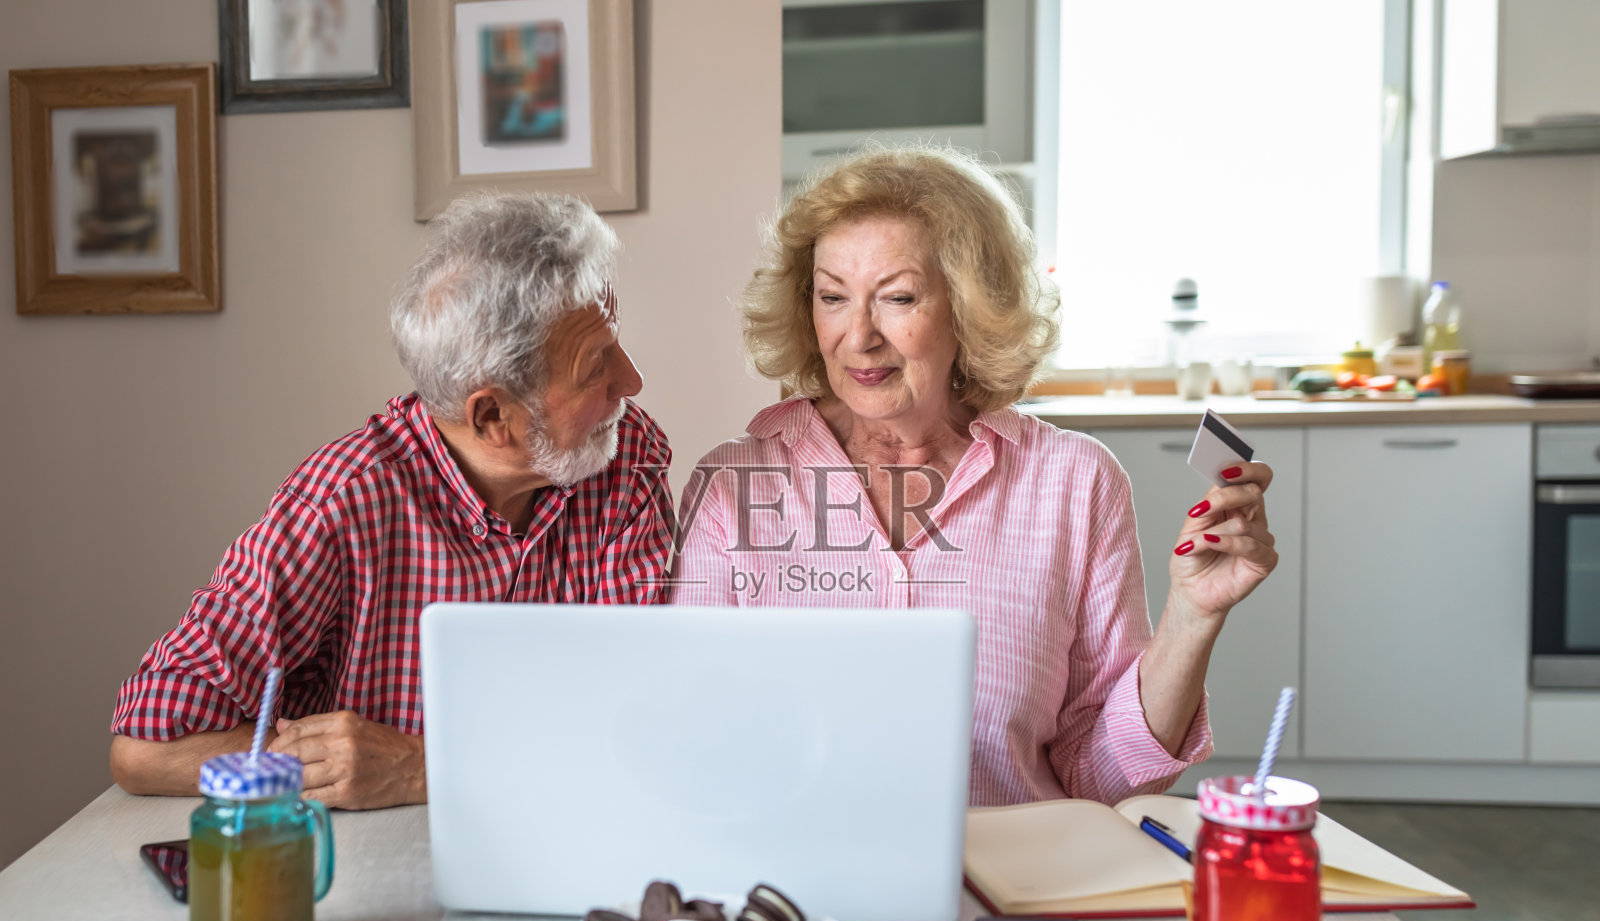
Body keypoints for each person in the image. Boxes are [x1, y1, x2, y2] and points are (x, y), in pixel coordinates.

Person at [668, 145, 1278, 807]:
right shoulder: (737, 483)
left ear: (968, 306)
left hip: (1014, 882)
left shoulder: (1075, 482)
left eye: (898, 297)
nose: (859, 336)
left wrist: (1190, 619)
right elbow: (690, 738)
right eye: (832, 297)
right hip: (797, 889)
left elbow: (1097, 777)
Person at [111, 192, 671, 809]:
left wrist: (429, 767)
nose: (632, 381)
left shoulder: (625, 458)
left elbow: (642, 721)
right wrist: (317, 767)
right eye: (596, 366)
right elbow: (145, 746)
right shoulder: (339, 501)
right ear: (492, 417)